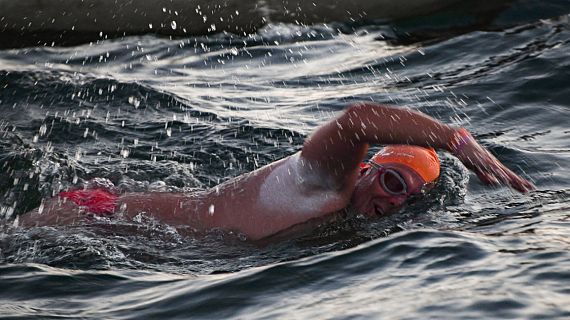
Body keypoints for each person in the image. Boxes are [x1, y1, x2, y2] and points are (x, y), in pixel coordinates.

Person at [20, 103, 535, 240]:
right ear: (368, 169)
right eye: (393, 181)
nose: (394, 200)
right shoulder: (325, 180)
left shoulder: (348, 216)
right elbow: (357, 119)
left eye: (408, 196)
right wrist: (456, 140)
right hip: (94, 217)